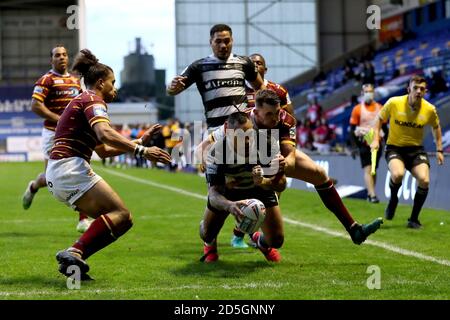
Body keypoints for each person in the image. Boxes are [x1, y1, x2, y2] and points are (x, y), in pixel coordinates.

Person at [46, 49, 171, 280]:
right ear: (101, 82)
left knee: (123, 220)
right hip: (69, 169)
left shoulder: (84, 100)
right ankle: (76, 250)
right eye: (113, 83)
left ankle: (76, 257)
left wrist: (138, 141)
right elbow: (104, 134)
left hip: (60, 173)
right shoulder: (93, 99)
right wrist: (142, 151)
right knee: (121, 214)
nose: (116, 88)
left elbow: (103, 151)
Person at [200, 90, 383, 246]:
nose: (275, 119)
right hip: (239, 165)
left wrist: (281, 166)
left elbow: (290, 157)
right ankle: (214, 237)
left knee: (318, 174)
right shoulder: (239, 122)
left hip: (273, 154)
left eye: (277, 112)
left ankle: (353, 229)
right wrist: (207, 166)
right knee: (219, 200)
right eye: (269, 115)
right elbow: (207, 146)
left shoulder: (285, 120)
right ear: (255, 113)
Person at [21, 45, 92, 233]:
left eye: (64, 55)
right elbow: (36, 106)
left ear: (68, 58)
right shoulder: (46, 80)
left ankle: (83, 219)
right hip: (52, 133)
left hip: (73, 134)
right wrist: (61, 120)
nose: (61, 58)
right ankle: (34, 185)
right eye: (57, 55)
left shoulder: (76, 81)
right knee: (51, 179)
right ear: (51, 60)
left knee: (81, 169)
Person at [201, 112, 287, 263]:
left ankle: (261, 243)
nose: (247, 141)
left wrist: (264, 182)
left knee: (277, 240)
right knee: (206, 233)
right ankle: (209, 243)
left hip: (259, 189)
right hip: (228, 192)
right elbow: (213, 194)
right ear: (228, 134)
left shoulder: (267, 144)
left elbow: (282, 184)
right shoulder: (216, 152)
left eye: (249, 134)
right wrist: (229, 205)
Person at [371, 75, 444, 229]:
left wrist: (439, 149)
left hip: (416, 150)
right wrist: (375, 139)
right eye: (415, 88)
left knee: (424, 180)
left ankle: (413, 219)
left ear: (425, 91)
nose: (418, 91)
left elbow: (436, 127)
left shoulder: (429, 109)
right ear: (408, 89)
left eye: (422, 89)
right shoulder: (394, 103)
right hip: (394, 148)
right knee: (398, 174)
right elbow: (378, 119)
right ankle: (393, 201)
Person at [166, 24, 265, 131]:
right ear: (211, 42)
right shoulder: (199, 67)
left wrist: (259, 114)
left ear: (232, 40)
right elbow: (172, 90)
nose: (223, 45)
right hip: (215, 129)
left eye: (227, 41)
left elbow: (260, 86)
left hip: (243, 129)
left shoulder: (244, 62)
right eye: (218, 41)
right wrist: (171, 87)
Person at [349, 83, 387, 203]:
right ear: (362, 93)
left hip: (377, 142)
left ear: (374, 93)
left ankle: (371, 193)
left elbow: (385, 127)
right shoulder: (357, 109)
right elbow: (352, 129)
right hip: (364, 142)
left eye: (370, 91)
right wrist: (354, 147)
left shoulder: (380, 108)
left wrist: (387, 144)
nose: (368, 94)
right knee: (368, 168)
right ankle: (372, 194)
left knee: (374, 169)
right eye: (366, 91)